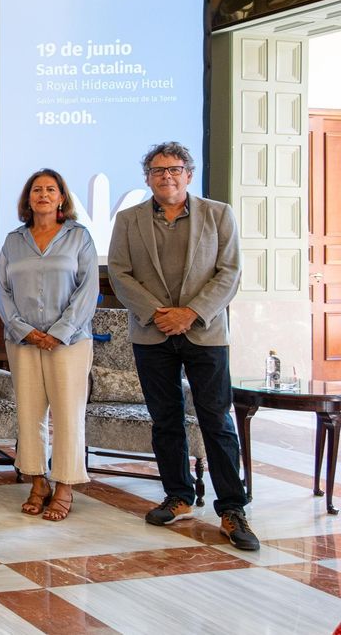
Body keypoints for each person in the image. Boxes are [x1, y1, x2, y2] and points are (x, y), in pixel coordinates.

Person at [107, 141, 258, 551]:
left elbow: (229, 273)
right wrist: (159, 313)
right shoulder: (128, 219)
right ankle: (179, 496)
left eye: (174, 169)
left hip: (205, 332)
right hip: (151, 332)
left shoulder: (218, 214)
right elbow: (119, 273)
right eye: (157, 170)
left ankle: (232, 508)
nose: (166, 176)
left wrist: (189, 313)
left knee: (216, 420)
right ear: (148, 178)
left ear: (188, 174)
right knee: (165, 419)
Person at [0, 169, 98, 522]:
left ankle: (65, 485)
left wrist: (60, 331)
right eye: (36, 189)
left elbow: (88, 289)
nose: (42, 194)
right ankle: (38, 482)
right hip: (23, 342)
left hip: (69, 343)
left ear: (61, 198)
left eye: (50, 189)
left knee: (67, 415)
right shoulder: (13, 240)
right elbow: (1, 290)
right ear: (27, 199)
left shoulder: (79, 237)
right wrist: (24, 329)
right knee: (29, 413)